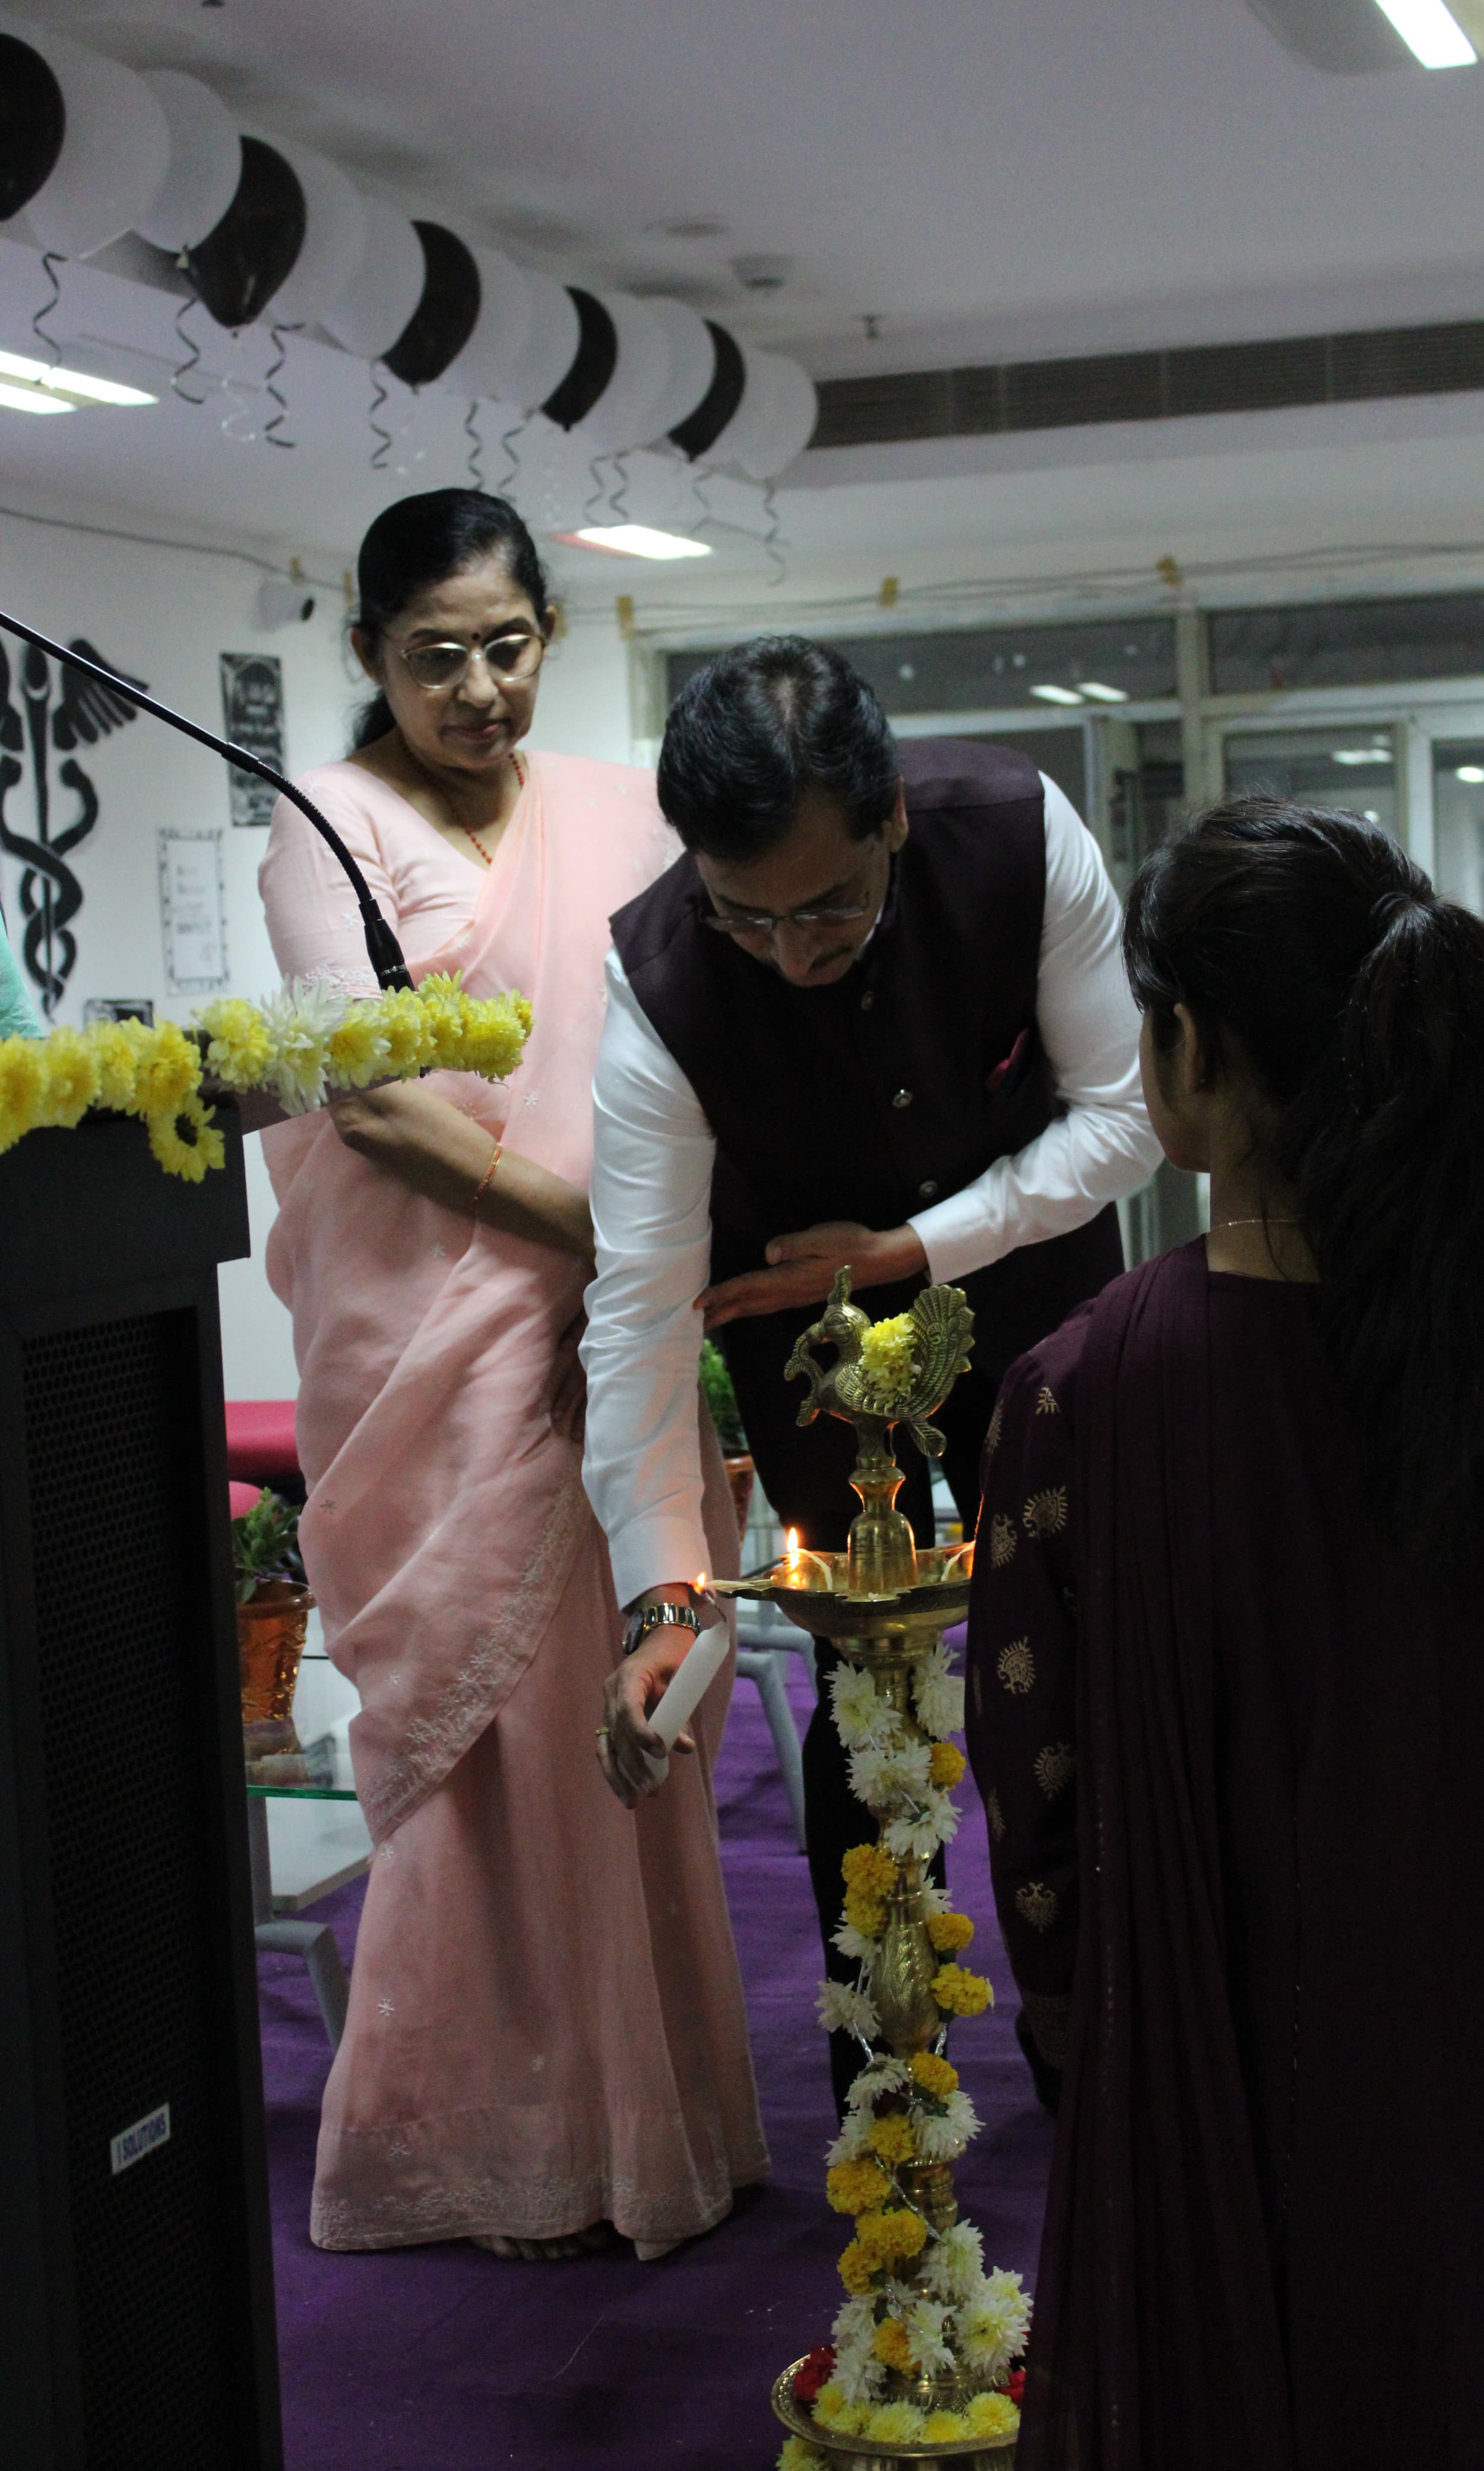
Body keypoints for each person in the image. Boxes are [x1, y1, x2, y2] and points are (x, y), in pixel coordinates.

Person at [968, 797, 1484, 2471]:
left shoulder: (1089, 1396)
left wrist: (1099, 2047)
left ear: (1189, 1051)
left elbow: (1037, 1801)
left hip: (1233, 2080)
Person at [257, 489, 767, 2261]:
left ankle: (658, 2125)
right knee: (489, 1744)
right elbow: (373, 1105)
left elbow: (698, 1039)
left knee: (627, 1700)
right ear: (368, 654)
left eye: (507, 646)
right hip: (439, 1337)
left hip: (621, 1306)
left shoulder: (625, 809)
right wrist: (608, 1241)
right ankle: (495, 2152)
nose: (477, 689)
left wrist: (653, 1266)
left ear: (550, 634)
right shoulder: (328, 823)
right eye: (434, 657)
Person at [584, 635, 1159, 2109]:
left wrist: (912, 1247)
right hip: (801, 1328)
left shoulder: (1017, 833)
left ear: (893, 811)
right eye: (747, 917)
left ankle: (1109, 2049)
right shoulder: (657, 974)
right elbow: (639, 1306)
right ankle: (886, 2088)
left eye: (830, 906)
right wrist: (661, 1594)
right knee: (863, 1682)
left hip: (1027, 1276)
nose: (793, 954)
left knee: (1086, 1656)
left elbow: (1126, 1117)